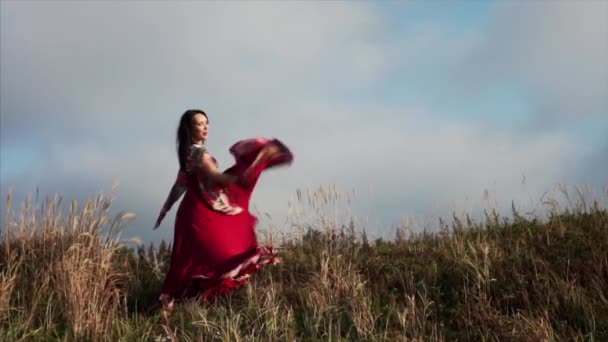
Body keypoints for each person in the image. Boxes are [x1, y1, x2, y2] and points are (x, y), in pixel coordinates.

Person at [154, 109, 293, 310]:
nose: (205, 127)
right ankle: (195, 300)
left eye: (207, 123)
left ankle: (187, 301)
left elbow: (179, 186)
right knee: (219, 251)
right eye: (199, 123)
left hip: (190, 213)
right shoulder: (197, 154)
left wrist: (166, 208)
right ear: (189, 129)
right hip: (198, 214)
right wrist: (240, 178)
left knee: (194, 258)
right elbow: (214, 176)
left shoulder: (189, 154)